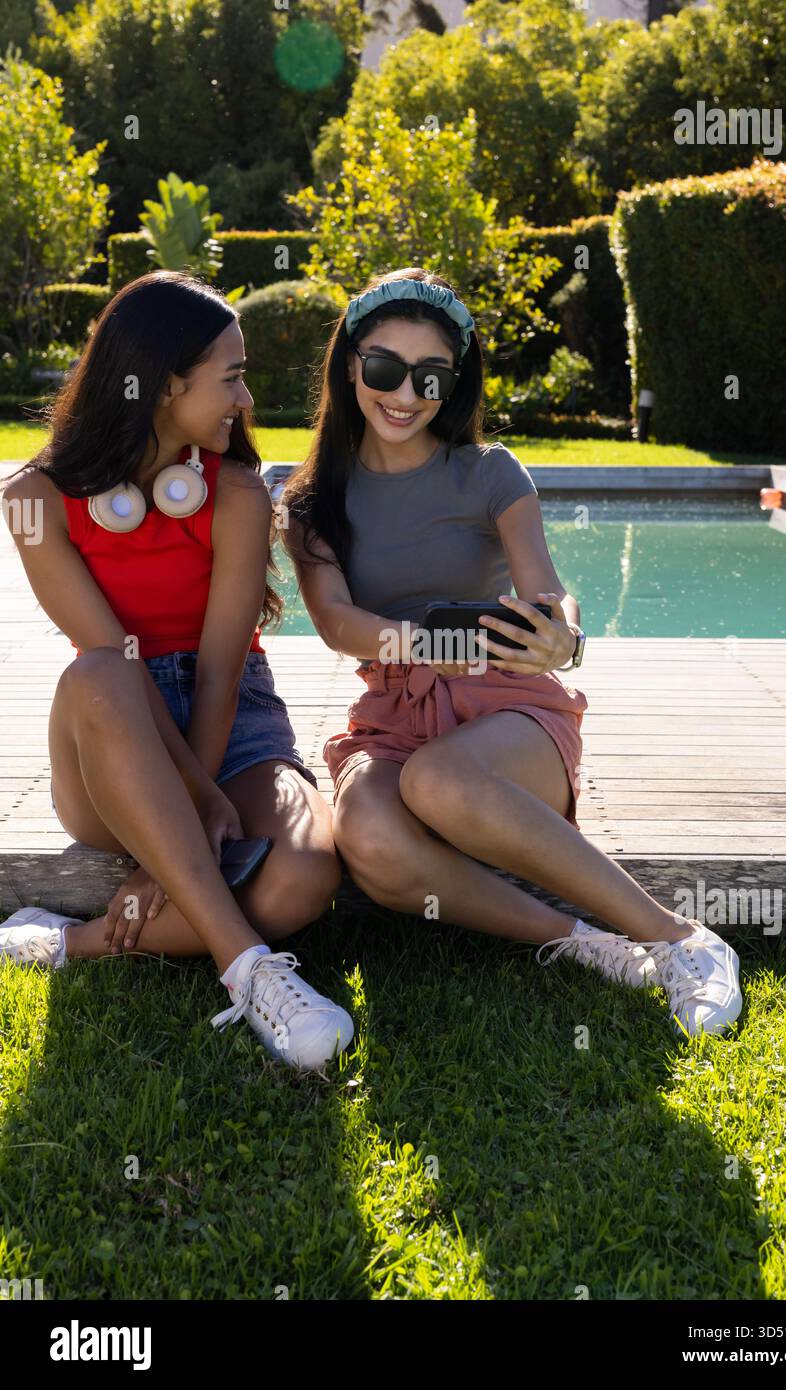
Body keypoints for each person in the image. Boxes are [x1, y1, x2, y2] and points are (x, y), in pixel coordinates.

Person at [280, 267, 741, 1037]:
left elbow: (549, 591)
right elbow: (334, 621)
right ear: (349, 364)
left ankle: (682, 939)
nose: (405, 395)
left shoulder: (490, 472)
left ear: (452, 383)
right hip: (395, 711)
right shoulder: (311, 501)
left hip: (509, 706)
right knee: (369, 840)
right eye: (385, 369)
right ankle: (586, 944)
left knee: (438, 779)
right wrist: (426, 644)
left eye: (430, 377)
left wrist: (563, 633)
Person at [0, 271, 353, 1071]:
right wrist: (192, 811)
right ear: (163, 385)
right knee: (102, 672)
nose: (244, 398)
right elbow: (111, 655)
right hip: (112, 733)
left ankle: (69, 944)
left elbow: (222, 672)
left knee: (301, 876)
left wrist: (190, 819)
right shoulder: (31, 498)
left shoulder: (235, 493)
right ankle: (249, 970)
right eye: (230, 376)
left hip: (233, 717)